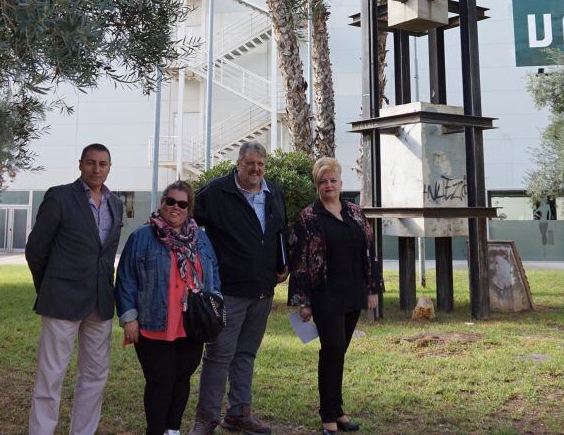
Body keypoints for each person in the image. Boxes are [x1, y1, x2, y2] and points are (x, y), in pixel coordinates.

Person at [189, 141, 288, 435]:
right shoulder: (218, 191)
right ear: (239, 164)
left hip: (262, 290)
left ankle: (239, 413)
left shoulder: (273, 193)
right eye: (250, 163)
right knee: (219, 354)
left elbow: (279, 231)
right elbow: (187, 219)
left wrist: (284, 262)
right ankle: (205, 420)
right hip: (228, 291)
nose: (255, 169)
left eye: (260, 164)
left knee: (246, 354)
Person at [25, 143, 124, 435]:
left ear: (109, 167)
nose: (96, 169)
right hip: (61, 300)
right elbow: (36, 250)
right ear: (80, 164)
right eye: (91, 163)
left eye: (103, 164)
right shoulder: (59, 197)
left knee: (95, 376)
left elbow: (106, 253)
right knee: (51, 374)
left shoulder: (115, 204)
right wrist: (50, 287)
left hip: (100, 302)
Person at [116, 181, 222, 435]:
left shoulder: (202, 239)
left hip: (192, 325)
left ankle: (172, 429)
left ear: (189, 209)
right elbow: (126, 278)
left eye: (182, 204)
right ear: (162, 203)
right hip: (154, 323)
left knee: (181, 379)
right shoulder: (142, 237)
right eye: (170, 201)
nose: (175, 207)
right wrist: (129, 318)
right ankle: (155, 430)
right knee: (160, 382)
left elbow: (214, 273)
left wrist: (215, 303)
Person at [289, 157, 381, 434]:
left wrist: (373, 289)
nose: (328, 185)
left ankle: (338, 411)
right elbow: (301, 262)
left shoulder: (355, 212)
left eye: (333, 180)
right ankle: (328, 414)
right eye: (323, 181)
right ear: (317, 186)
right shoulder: (308, 218)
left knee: (339, 352)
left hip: (353, 292)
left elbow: (370, 251)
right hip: (324, 294)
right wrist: (303, 302)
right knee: (332, 351)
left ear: (341, 183)